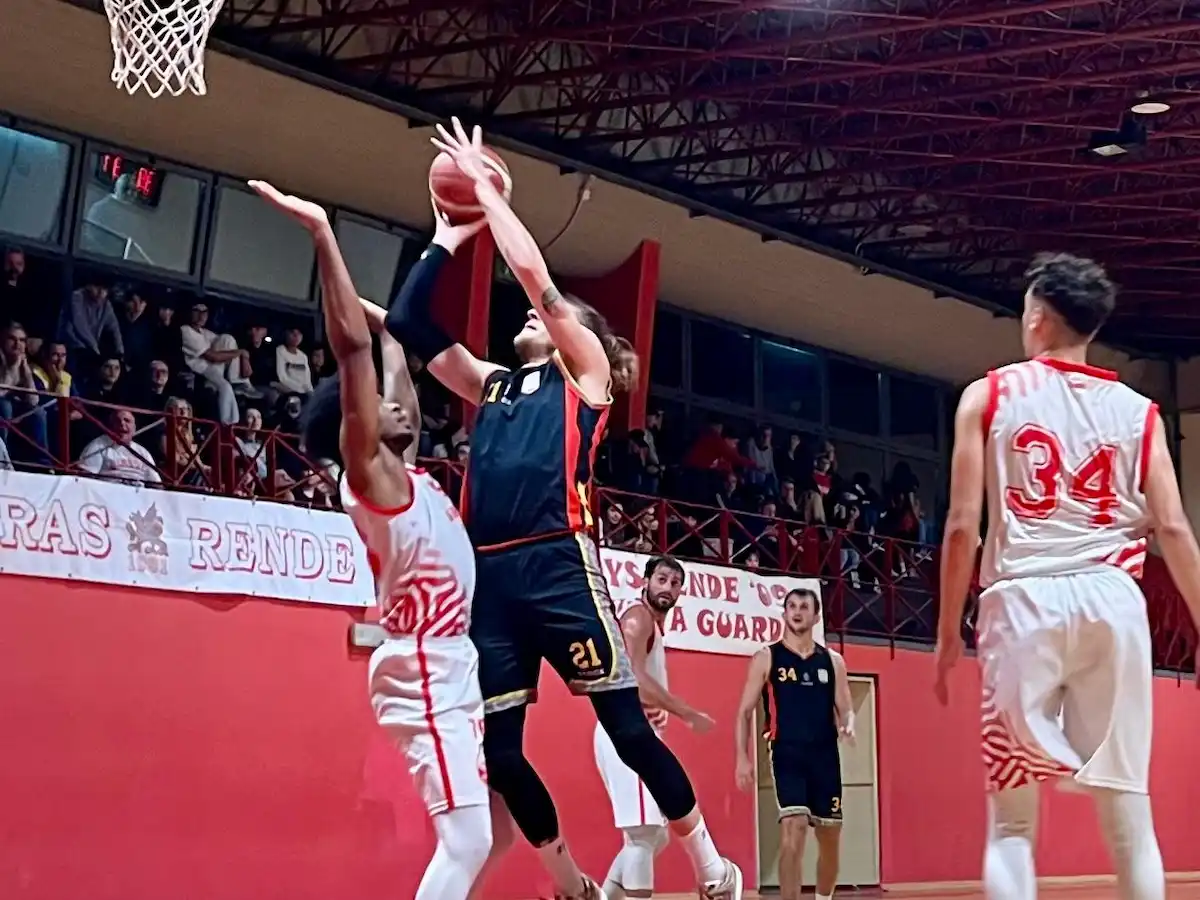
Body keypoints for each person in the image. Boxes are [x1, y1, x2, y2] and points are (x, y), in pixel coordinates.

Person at [388, 117, 743, 900]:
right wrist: (446, 236)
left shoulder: (586, 377)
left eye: (554, 316)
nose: (531, 318)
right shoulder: (493, 384)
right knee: (501, 753)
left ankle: (713, 867)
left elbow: (535, 281)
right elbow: (409, 324)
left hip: (559, 563)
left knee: (627, 732)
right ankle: (570, 881)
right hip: (490, 582)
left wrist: (490, 195)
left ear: (582, 335)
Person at [249, 179, 494, 900]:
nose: (400, 408)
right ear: (354, 426)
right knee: (469, 840)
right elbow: (354, 350)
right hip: (425, 662)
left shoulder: (406, 472)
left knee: (479, 835)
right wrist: (323, 233)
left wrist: (432, 257)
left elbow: (390, 357)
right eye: (381, 408)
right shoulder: (371, 478)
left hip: (448, 660)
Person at [933, 252, 1200, 900]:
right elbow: (1172, 527)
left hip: (1022, 598)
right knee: (1130, 820)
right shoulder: (1138, 411)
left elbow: (963, 525)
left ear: (1037, 318)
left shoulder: (989, 395)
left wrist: (946, 633)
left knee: (1012, 824)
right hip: (1112, 599)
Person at [595, 554, 715, 900]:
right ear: (645, 581)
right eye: (661, 579)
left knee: (654, 835)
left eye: (675, 583)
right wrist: (684, 710)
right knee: (645, 834)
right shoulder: (639, 617)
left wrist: (659, 706)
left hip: (632, 734)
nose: (668, 588)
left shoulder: (651, 624)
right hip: (626, 737)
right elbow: (631, 675)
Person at [733, 589, 853, 900]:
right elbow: (744, 712)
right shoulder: (767, 657)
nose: (797, 612)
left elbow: (846, 708)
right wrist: (742, 758)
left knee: (830, 838)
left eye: (804, 607)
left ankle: (824, 897)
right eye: (792, 606)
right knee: (794, 826)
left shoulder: (832, 661)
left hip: (825, 756)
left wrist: (848, 723)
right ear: (785, 613)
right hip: (787, 753)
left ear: (816, 616)